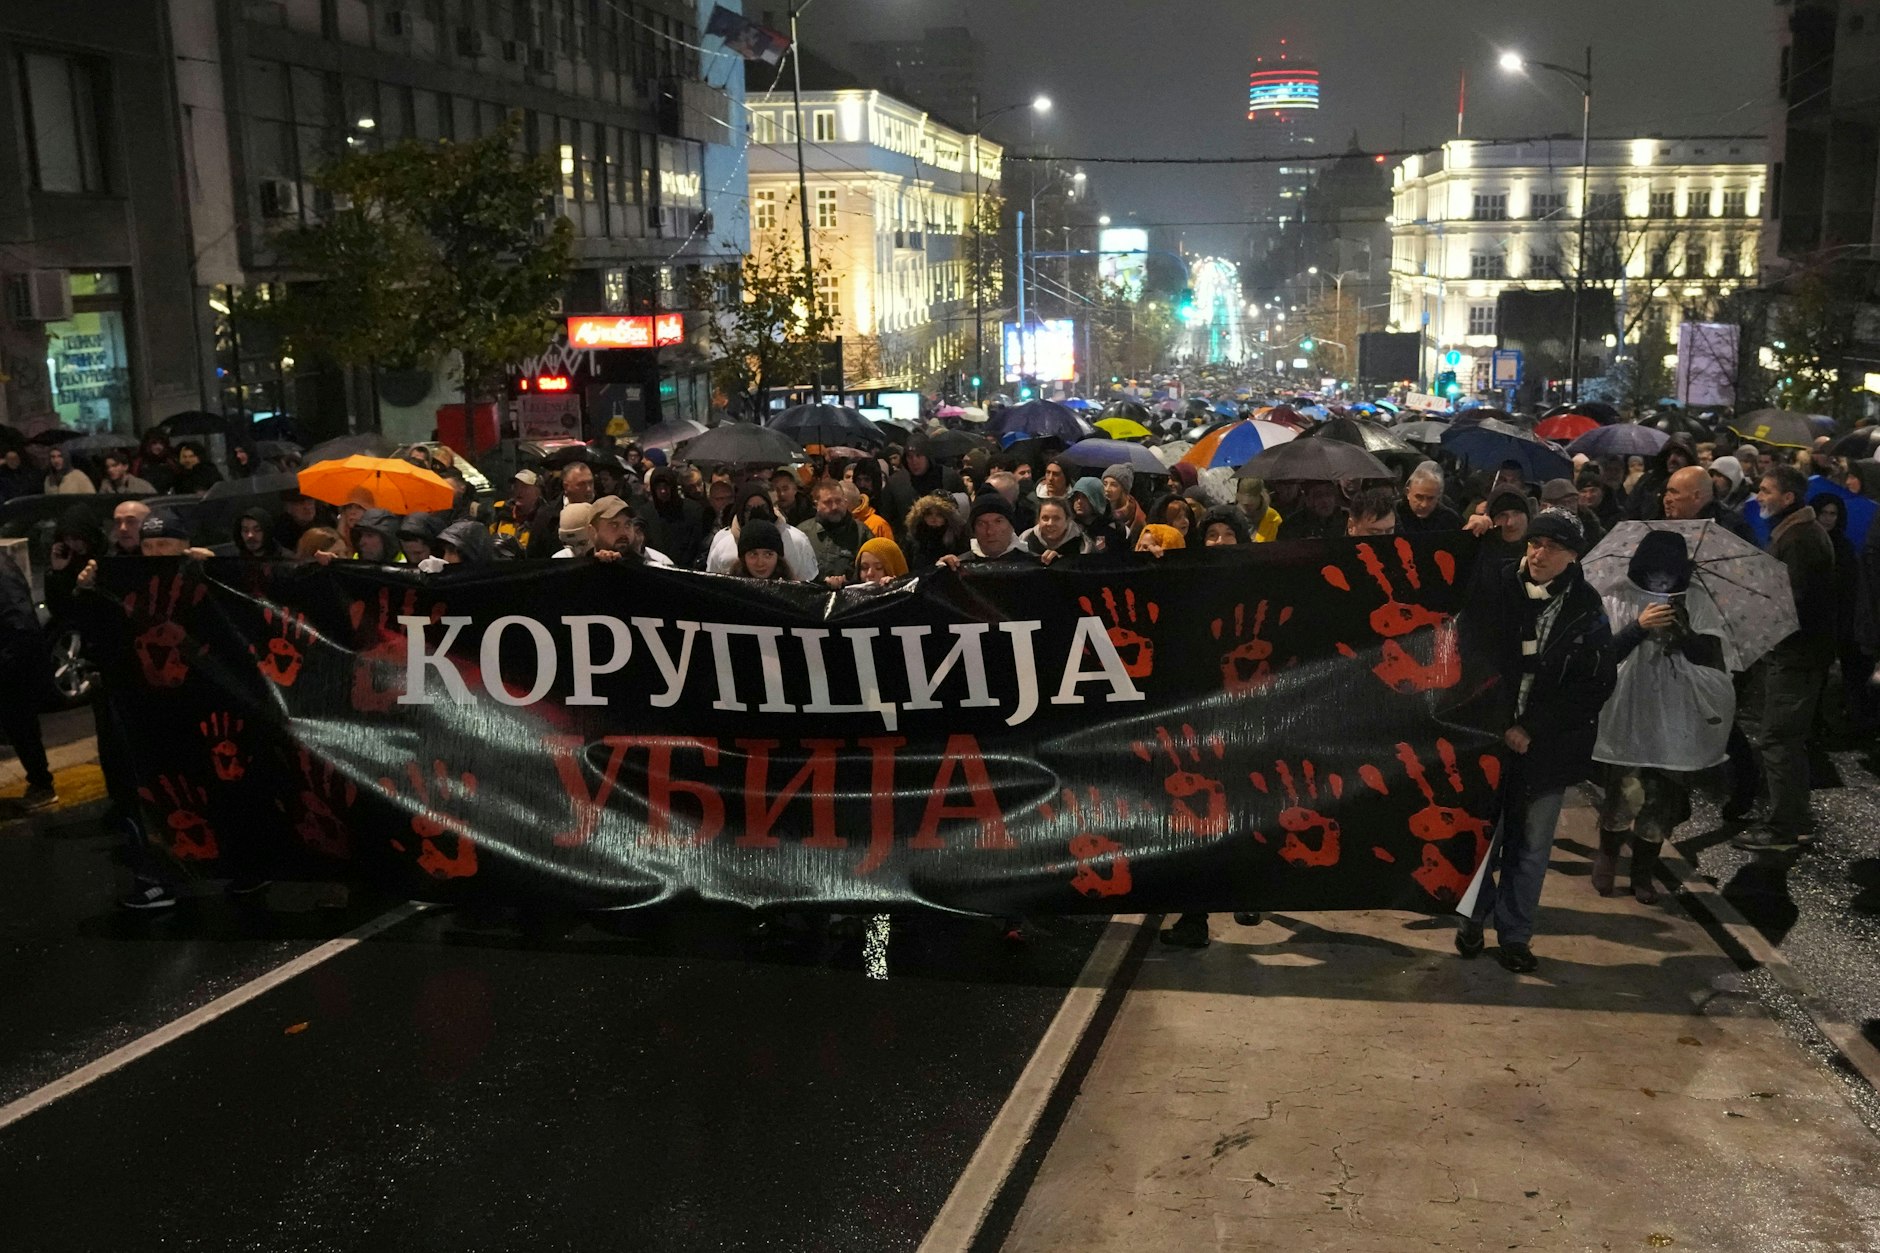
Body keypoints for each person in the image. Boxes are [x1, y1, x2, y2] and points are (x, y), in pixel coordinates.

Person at [1458, 508, 1615, 973]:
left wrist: (1533, 727)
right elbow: (1466, 649)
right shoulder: (1497, 584)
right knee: (1482, 841)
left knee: (1530, 849)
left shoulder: (1586, 609)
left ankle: (1515, 936)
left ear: (1572, 556)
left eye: (1551, 547)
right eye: (1534, 542)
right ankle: (1470, 921)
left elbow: (1594, 684)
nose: (1538, 553)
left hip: (1545, 751)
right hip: (1488, 740)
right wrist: (1473, 541)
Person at [1591, 531, 1735, 904]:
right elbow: (1599, 651)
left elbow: (1712, 656)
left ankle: (1643, 871)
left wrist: (1684, 633)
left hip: (1673, 710)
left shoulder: (1696, 602)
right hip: (1628, 704)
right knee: (1624, 788)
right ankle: (1608, 856)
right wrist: (1639, 627)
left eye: (1668, 575)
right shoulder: (1617, 596)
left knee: (1660, 796)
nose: (1660, 582)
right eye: (1654, 573)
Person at [1733, 464, 1835, 852]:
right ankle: (1795, 819)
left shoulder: (1799, 539)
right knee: (1787, 740)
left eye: (1766, 490)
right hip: (1800, 654)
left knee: (1777, 740)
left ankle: (1783, 827)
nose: (1759, 496)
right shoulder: (1797, 533)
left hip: (1795, 656)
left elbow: (1790, 601)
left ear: (1788, 498)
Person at [0, 555, 58, 811]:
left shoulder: (2, 571)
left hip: (11, 666)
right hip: (10, 661)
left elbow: (19, 621)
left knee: (21, 727)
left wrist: (7, 660)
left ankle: (42, 785)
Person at [707, 481, 818, 578]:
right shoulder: (722, 541)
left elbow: (808, 581)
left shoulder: (797, 540)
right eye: (748, 509)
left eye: (763, 508)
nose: (760, 563)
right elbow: (712, 583)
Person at [882, 434, 968, 536]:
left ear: (928, 456)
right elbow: (888, 519)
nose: (914, 461)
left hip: (947, 543)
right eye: (910, 457)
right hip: (909, 546)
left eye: (919, 455)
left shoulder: (948, 478)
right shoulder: (896, 483)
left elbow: (963, 515)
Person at [799, 478, 868, 587]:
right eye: (828, 502)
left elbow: (871, 573)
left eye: (838, 501)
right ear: (816, 505)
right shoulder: (803, 533)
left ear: (845, 501)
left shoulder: (861, 532)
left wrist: (848, 581)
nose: (835, 507)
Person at [1661, 465, 1755, 544]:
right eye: (1666, 493)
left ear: (1697, 496)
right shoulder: (1660, 523)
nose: (1667, 499)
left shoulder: (1731, 528)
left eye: (1674, 492)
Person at [938, 493, 1039, 567]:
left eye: (998, 522)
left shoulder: (1034, 565)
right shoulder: (959, 565)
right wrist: (942, 570)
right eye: (981, 524)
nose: (990, 531)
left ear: (1011, 526)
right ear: (973, 531)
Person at [643, 467, 714, 569]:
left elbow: (697, 545)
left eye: (666, 486)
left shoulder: (693, 511)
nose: (663, 491)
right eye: (658, 487)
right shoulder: (646, 513)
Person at [590, 495, 672, 566]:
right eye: (614, 525)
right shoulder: (581, 568)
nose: (623, 532)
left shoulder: (656, 565)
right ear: (593, 531)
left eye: (628, 525)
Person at [490, 469, 547, 554]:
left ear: (538, 491)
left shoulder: (545, 517)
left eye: (524, 487)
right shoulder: (501, 511)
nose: (519, 491)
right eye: (516, 486)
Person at [1019, 496, 1090, 563]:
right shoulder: (1026, 538)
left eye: (1056, 518)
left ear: (1067, 520)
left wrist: (1061, 562)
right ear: (1038, 520)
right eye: (1045, 518)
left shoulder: (1083, 544)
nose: (1050, 523)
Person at [903, 493, 968, 566]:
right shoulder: (915, 536)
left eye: (939, 514)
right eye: (929, 514)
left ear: (947, 517)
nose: (933, 518)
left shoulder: (957, 536)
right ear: (922, 515)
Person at [1398, 463, 1461, 534]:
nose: (1424, 505)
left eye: (1431, 498)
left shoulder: (1449, 519)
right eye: (1419, 497)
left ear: (1438, 496)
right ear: (1407, 492)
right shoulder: (1394, 513)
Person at [1070, 477, 1127, 553]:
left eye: (1085, 497)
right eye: (1077, 496)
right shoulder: (1068, 527)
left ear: (1097, 499)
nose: (1079, 501)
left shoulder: (1112, 530)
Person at [1276, 481, 1346, 541]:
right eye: (1318, 495)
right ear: (1308, 500)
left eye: (1329, 494)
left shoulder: (1346, 519)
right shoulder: (1292, 525)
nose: (1325, 500)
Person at [1102, 465, 1147, 547]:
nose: (1107, 489)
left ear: (1124, 489)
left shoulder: (1136, 517)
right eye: (1105, 484)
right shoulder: (1101, 509)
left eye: (1114, 485)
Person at [1235, 477, 1283, 542]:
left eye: (1251, 500)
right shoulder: (1230, 516)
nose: (1247, 504)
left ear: (1260, 497)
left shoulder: (1273, 519)